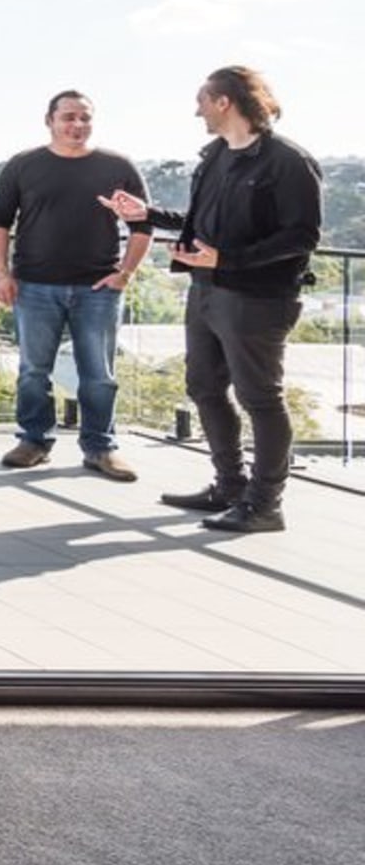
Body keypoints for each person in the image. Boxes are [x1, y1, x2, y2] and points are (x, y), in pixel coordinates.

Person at [100, 65, 323, 534]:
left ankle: (265, 505)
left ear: (225, 102)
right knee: (203, 387)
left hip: (258, 298)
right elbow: (199, 221)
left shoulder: (288, 161)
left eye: (201, 100)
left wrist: (228, 259)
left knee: (260, 398)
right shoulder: (214, 157)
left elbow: (302, 236)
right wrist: (148, 214)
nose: (196, 110)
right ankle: (229, 486)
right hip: (206, 291)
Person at [0, 91, 151, 480]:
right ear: (50, 121)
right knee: (32, 371)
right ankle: (34, 441)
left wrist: (125, 273)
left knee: (98, 374)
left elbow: (143, 225)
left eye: (85, 118)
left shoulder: (117, 166)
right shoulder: (24, 165)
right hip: (34, 287)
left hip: (98, 289)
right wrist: (0, 273)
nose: (77, 125)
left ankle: (100, 448)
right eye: (69, 118)